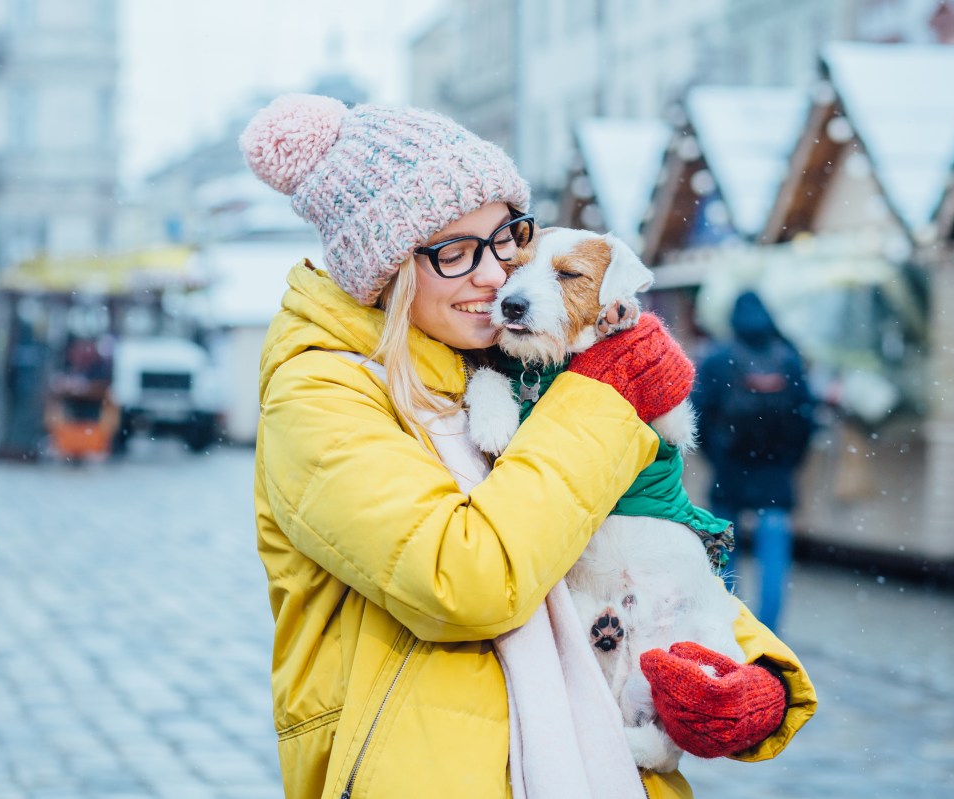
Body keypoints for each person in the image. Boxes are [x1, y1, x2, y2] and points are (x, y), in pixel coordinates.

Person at [244, 95, 815, 799]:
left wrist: (753, 676)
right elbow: (468, 579)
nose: (496, 275)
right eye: (454, 250)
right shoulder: (321, 394)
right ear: (383, 268)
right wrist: (602, 399)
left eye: (506, 237)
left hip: (601, 763)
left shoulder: (503, 361)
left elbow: (632, 547)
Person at [692, 290, 816, 634]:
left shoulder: (718, 359)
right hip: (776, 475)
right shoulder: (789, 360)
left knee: (723, 552)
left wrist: (718, 458)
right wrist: (788, 462)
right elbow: (806, 420)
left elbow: (698, 418)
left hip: (729, 472)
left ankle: (730, 625)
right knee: (773, 558)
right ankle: (769, 632)